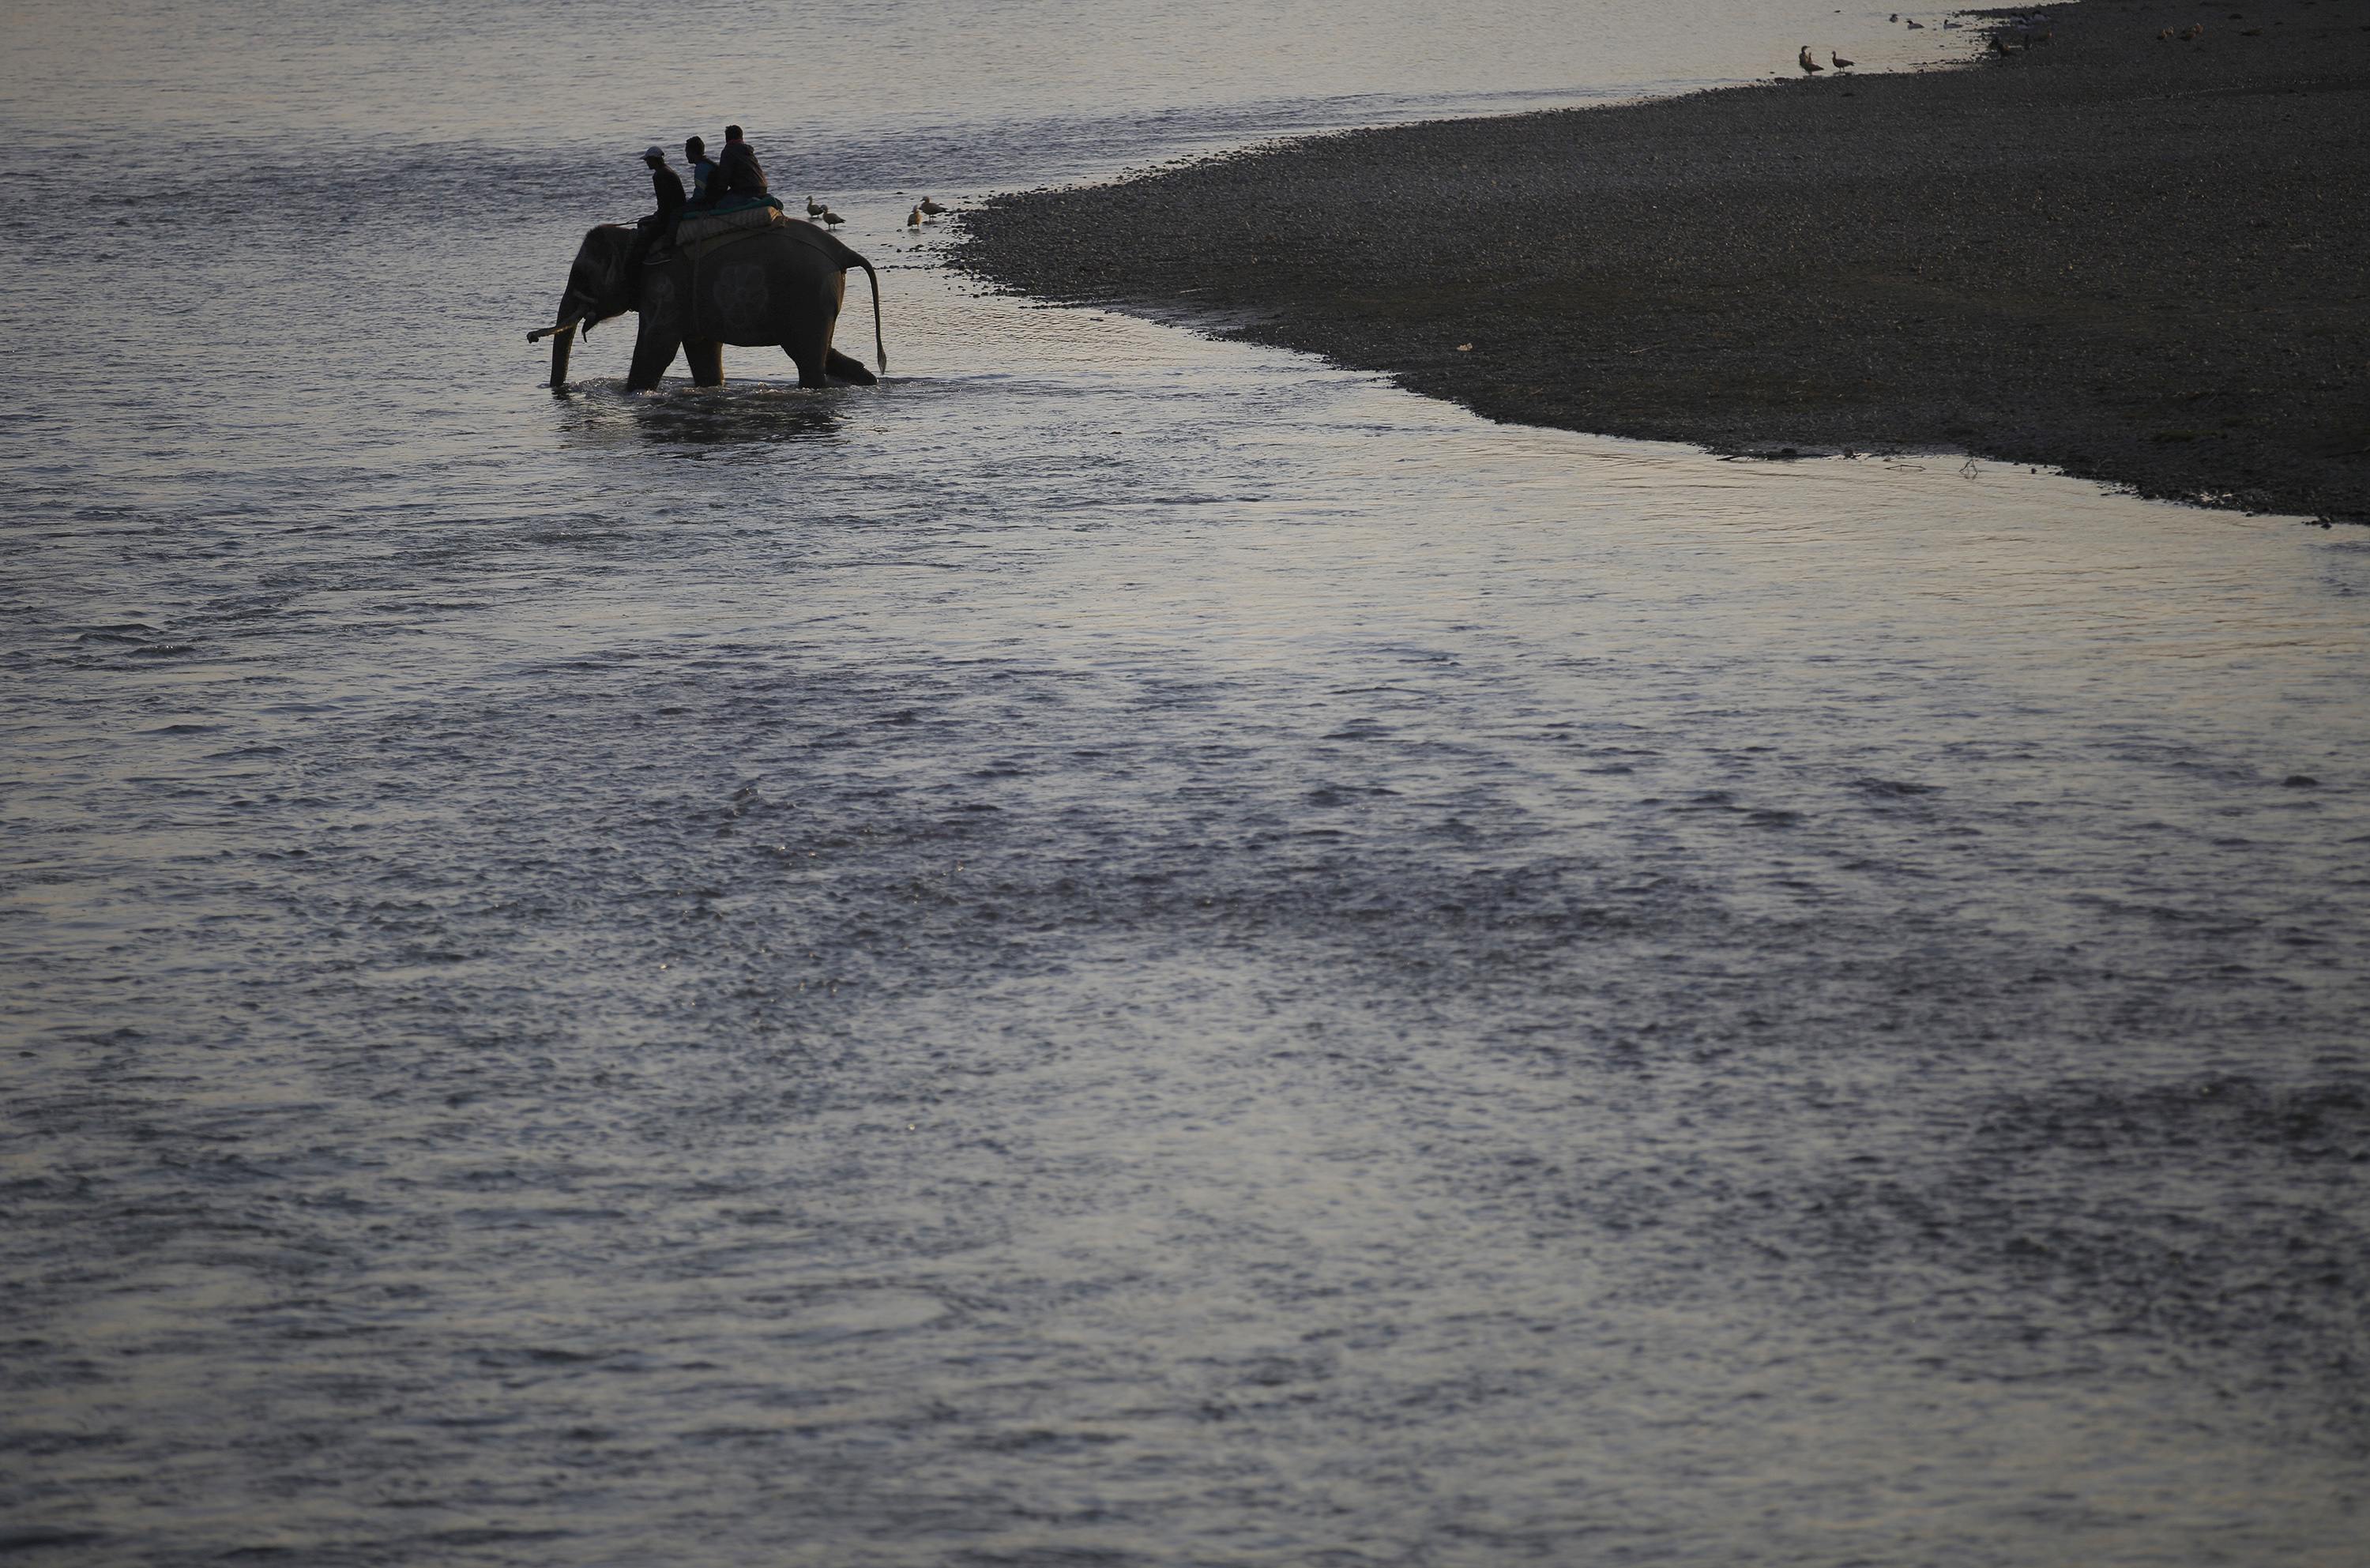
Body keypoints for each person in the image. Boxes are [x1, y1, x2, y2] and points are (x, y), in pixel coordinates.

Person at [710, 124, 768, 201]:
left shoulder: (728, 151)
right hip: (763, 187)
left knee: (721, 203)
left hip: (747, 190)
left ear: (726, 139)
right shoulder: (748, 152)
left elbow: (724, 178)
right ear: (742, 137)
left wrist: (717, 195)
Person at [683, 135, 719, 204]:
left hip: (710, 202)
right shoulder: (708, 163)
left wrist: (688, 203)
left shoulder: (701, 168)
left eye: (687, 152)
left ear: (692, 152)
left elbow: (700, 194)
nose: (686, 155)